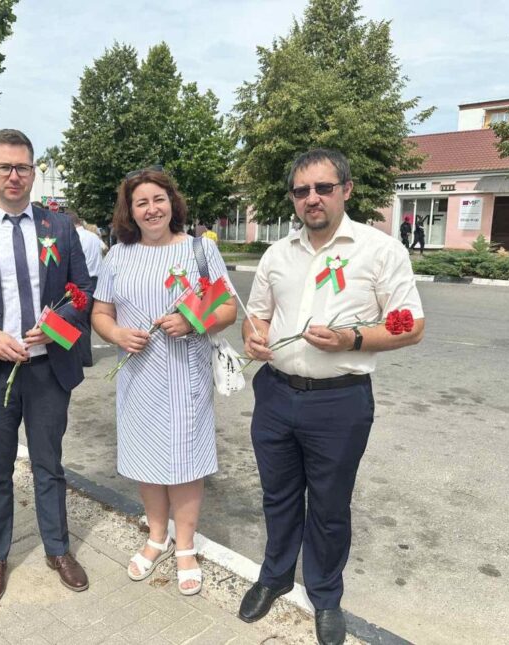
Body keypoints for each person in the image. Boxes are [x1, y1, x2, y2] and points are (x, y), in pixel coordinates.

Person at [238, 149, 424, 644]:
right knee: (278, 497)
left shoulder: (379, 250)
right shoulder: (278, 254)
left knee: (329, 505)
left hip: (339, 402)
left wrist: (352, 339)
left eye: (323, 187)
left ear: (347, 189)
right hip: (276, 395)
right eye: (302, 191)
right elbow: (255, 314)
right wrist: (252, 336)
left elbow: (411, 326)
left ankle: (325, 594)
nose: (312, 198)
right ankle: (276, 576)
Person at [0, 128, 93, 602]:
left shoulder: (59, 226)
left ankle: (58, 548)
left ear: (33, 171)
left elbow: (82, 291)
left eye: (22, 167)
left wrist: (56, 324)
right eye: (4, 167)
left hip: (49, 368)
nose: (13, 176)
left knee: (49, 464)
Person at [90, 169, 236, 595]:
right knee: (147, 459)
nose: (151, 209)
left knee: (185, 460)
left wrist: (193, 320)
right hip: (137, 375)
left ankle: (186, 545)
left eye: (158, 199)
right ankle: (157, 535)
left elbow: (226, 309)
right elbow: (101, 313)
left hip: (184, 376)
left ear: (172, 202)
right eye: (141, 202)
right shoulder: (117, 255)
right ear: (129, 211)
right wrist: (116, 334)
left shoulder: (197, 251)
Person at [68, 210, 103, 367]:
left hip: (80, 281)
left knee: (78, 320)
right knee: (86, 320)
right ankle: (84, 355)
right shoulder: (93, 236)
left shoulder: (75, 237)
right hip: (95, 279)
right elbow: (104, 248)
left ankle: (82, 357)